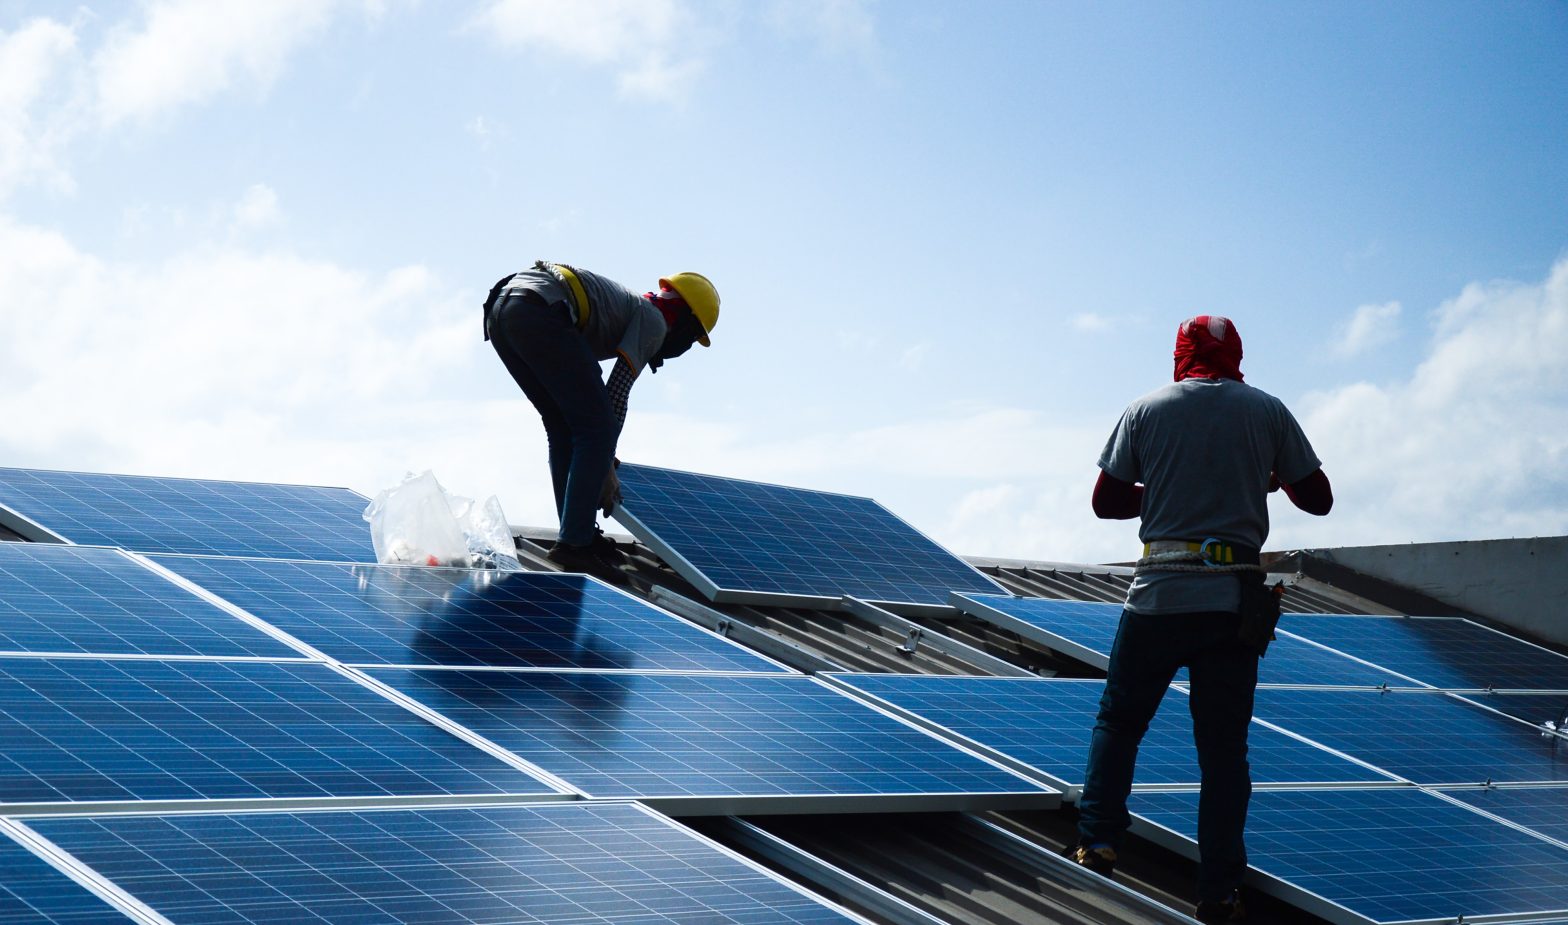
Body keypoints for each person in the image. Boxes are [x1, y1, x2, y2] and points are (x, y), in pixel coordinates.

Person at [1070, 315, 1333, 923]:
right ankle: (1217, 889)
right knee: (1222, 753)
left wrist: (1163, 487)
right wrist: (1256, 480)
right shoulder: (1267, 411)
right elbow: (1317, 498)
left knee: (1120, 721)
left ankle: (1099, 839)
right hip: (1231, 604)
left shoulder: (1146, 410)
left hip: (1158, 597)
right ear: (1237, 355)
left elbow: (1106, 503)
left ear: (1180, 354)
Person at [483, 260, 718, 581]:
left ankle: (576, 534)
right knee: (595, 429)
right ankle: (575, 543)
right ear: (686, 322)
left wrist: (601, 451)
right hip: (540, 309)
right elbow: (616, 393)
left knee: (564, 426)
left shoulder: (627, 309)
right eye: (692, 339)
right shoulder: (655, 320)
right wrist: (605, 462)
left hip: (505, 311)